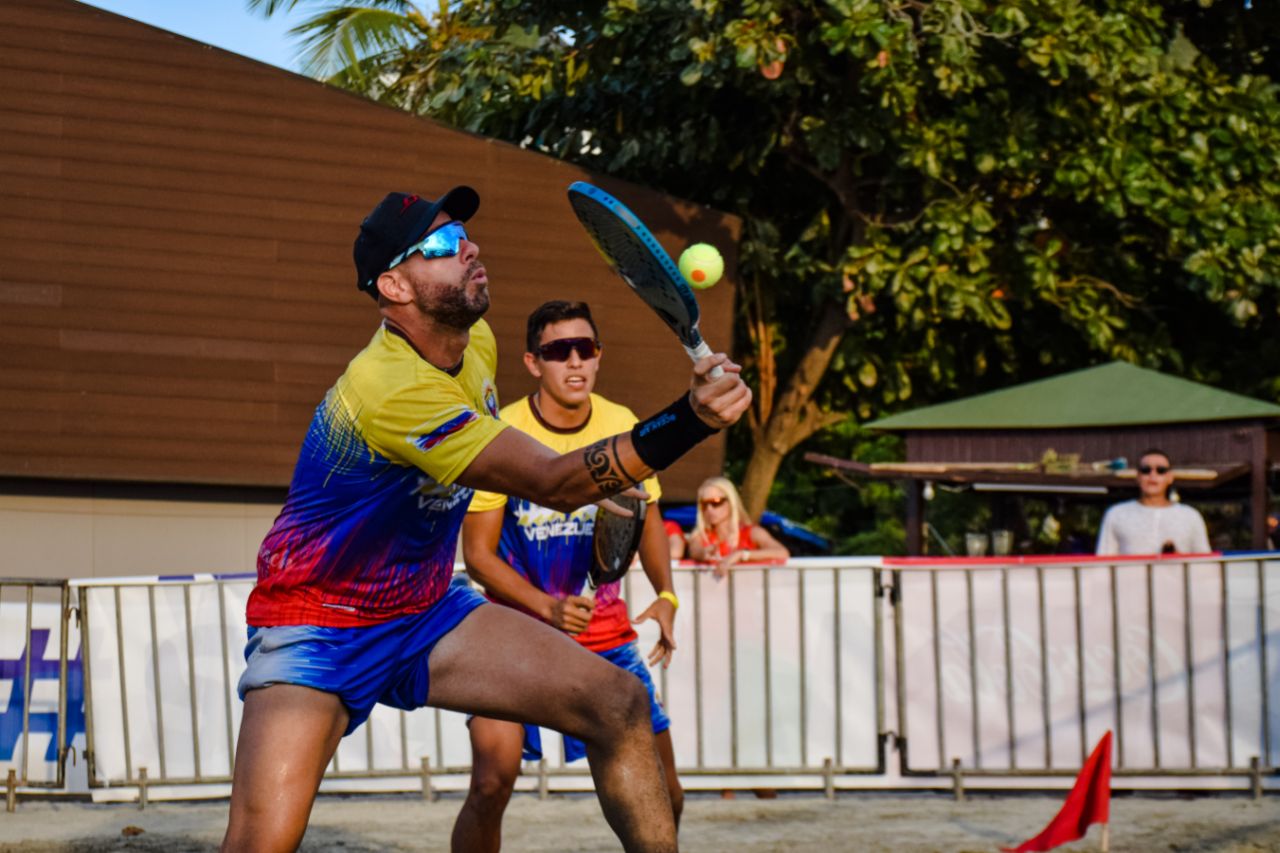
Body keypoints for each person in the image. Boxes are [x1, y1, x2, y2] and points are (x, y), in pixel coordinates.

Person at [221, 187, 751, 853]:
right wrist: (691, 419)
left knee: (619, 703)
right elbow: (554, 482)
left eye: (465, 233)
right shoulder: (389, 389)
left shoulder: (476, 344)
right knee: (260, 843)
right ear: (394, 284)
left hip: (425, 609)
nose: (468, 247)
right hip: (320, 623)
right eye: (441, 244)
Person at [452, 300, 682, 852]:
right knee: (490, 783)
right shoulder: (501, 430)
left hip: (602, 637)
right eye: (558, 351)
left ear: (599, 356)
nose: (575, 361)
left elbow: (647, 514)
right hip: (514, 638)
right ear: (533, 363)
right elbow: (479, 556)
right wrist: (546, 607)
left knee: (666, 795)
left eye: (587, 348)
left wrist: (667, 594)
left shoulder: (620, 423)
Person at [1096, 449, 1211, 556]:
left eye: (1161, 470)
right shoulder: (1116, 514)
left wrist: (1177, 557)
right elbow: (1103, 561)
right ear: (1138, 476)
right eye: (1146, 470)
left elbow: (1205, 564)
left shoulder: (1191, 516)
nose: (1153, 475)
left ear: (1170, 477)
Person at [685, 477, 789, 579]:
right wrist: (703, 554)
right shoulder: (701, 535)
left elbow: (782, 552)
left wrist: (742, 555)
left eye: (716, 502)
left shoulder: (752, 532)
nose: (709, 509)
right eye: (704, 504)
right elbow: (695, 550)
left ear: (731, 501)